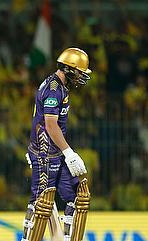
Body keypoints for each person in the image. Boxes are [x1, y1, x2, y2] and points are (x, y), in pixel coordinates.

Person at [21, 48, 91, 241]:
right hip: (46, 153)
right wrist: (68, 153)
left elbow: (40, 120)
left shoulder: (58, 86)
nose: (82, 76)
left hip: (52, 152)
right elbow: (50, 125)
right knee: (41, 204)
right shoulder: (54, 89)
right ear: (69, 69)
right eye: (80, 71)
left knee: (79, 197)